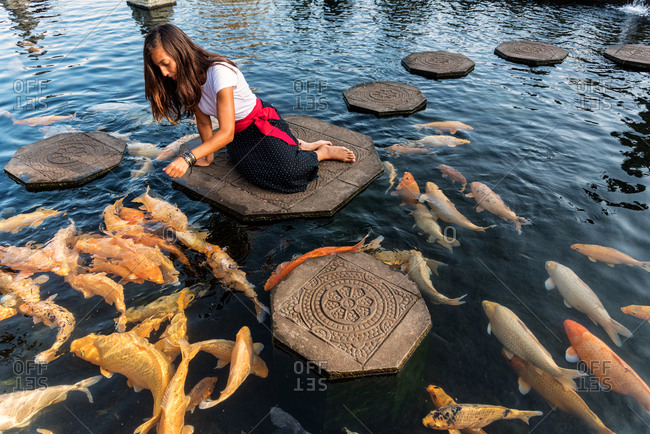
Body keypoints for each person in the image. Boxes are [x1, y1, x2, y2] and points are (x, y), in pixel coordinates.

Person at [143, 23, 355, 193]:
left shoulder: (219, 72)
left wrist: (188, 158)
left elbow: (225, 133)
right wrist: (207, 157)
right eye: (157, 67)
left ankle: (322, 153)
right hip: (239, 135)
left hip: (260, 124)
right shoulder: (185, 81)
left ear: (179, 52)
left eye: (165, 63)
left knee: (290, 172)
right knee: (252, 174)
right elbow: (203, 120)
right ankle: (296, 144)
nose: (162, 73)